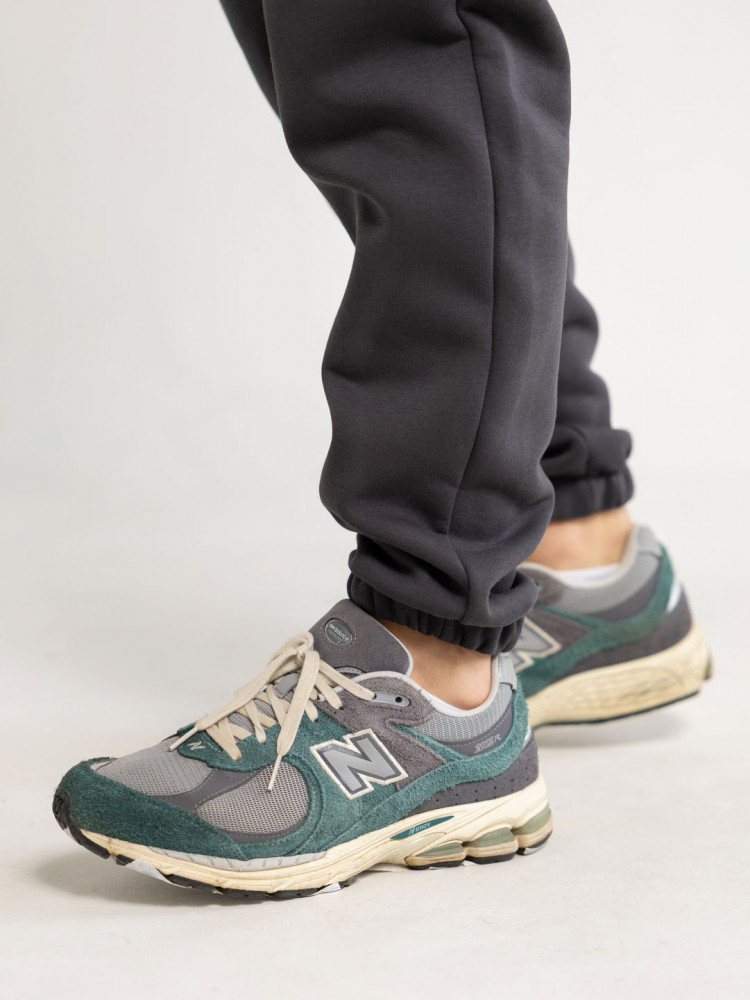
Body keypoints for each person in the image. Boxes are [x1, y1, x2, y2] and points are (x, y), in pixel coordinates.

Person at [51, 0, 711, 897]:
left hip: (437, 620)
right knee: (348, 57)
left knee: (411, 44)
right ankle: (575, 542)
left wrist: (442, 592)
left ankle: (437, 663)